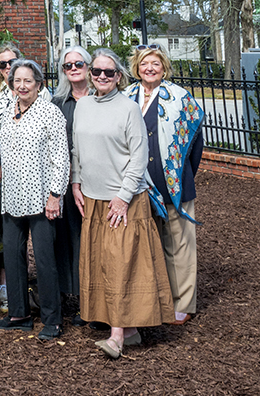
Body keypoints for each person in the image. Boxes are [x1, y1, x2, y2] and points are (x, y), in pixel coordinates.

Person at [72, 48, 174, 358]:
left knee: (119, 266)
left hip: (124, 201)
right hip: (92, 198)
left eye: (109, 72)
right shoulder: (83, 106)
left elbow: (139, 157)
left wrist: (122, 197)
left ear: (119, 77)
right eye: (97, 71)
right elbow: (77, 149)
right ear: (90, 74)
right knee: (102, 264)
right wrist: (76, 181)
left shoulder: (129, 109)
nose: (102, 76)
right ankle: (129, 331)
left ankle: (115, 337)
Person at [0, 60, 69, 340]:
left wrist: (55, 195)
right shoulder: (8, 112)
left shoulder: (50, 113)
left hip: (41, 197)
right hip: (11, 197)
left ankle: (52, 318)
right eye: (17, 81)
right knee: (12, 255)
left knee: (45, 260)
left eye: (28, 81)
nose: (22, 86)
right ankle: (19, 314)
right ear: (11, 84)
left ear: (39, 84)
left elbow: (61, 157)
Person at [125, 44, 203, 326]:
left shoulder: (179, 97)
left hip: (174, 184)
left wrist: (181, 174)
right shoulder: (127, 96)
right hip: (140, 185)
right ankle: (158, 298)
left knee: (179, 243)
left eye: (155, 64)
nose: (149, 68)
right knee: (151, 244)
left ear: (164, 68)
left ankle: (183, 303)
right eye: (144, 64)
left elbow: (195, 142)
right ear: (137, 67)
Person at [52, 45, 93, 311]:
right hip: (65, 180)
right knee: (66, 236)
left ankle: (91, 295)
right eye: (68, 66)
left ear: (88, 67)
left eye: (79, 64)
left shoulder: (101, 98)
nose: (74, 69)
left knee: (91, 236)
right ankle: (69, 292)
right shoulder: (57, 103)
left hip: (96, 177)